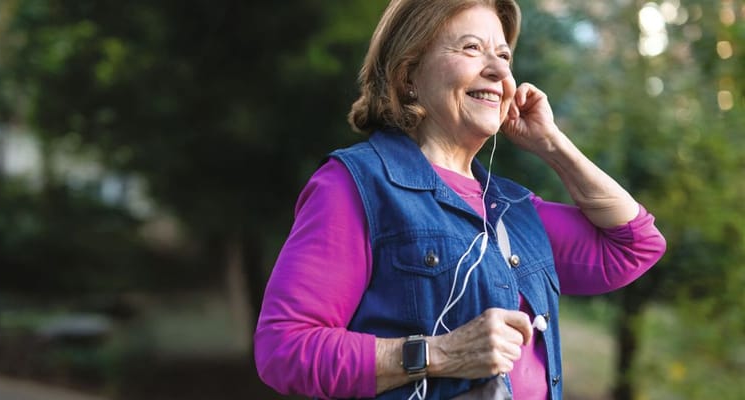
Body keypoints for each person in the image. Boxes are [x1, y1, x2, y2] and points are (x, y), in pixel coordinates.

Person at [254, 0, 666, 399]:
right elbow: (285, 349)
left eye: (504, 55)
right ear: (408, 74)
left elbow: (635, 245)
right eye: (472, 48)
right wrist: (442, 353)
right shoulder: (355, 184)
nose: (498, 70)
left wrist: (552, 145)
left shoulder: (514, 208)